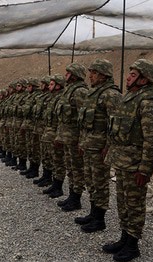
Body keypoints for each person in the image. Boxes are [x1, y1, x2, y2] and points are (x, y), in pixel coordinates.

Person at [104, 59, 153, 262]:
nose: (128, 77)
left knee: (135, 205)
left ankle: (133, 245)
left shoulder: (150, 103)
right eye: (129, 73)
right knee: (123, 203)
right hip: (123, 162)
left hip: (135, 166)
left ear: (144, 79)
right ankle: (124, 238)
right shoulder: (129, 99)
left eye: (133, 74)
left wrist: (145, 170)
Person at [76, 59, 121, 232]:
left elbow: (115, 124)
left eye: (94, 72)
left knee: (100, 182)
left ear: (103, 75)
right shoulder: (93, 93)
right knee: (91, 181)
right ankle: (93, 213)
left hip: (100, 148)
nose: (90, 76)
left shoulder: (111, 94)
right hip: (89, 146)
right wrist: (82, 142)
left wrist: (108, 147)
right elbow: (84, 123)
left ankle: (100, 219)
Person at [56, 63, 88, 210]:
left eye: (68, 73)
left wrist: (82, 140)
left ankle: (76, 198)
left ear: (75, 75)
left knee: (77, 168)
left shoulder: (80, 91)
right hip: (67, 137)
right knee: (70, 166)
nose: (66, 75)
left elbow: (84, 119)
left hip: (75, 138)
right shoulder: (69, 90)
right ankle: (71, 195)